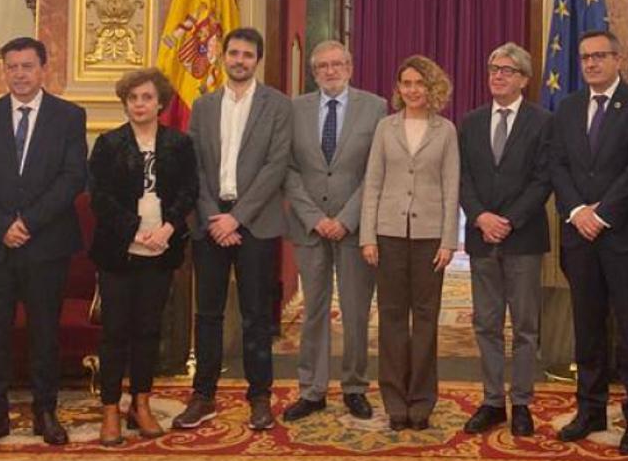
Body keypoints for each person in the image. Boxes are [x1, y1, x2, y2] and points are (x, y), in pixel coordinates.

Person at [0, 36, 87, 451]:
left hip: (45, 244)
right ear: (4, 70)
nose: (19, 74)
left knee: (44, 333)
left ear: (43, 69)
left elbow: (73, 177)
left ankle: (45, 413)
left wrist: (28, 222)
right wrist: (2, 225)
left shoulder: (69, 116)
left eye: (27, 66)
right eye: (12, 67)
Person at [176, 27, 291, 432]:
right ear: (223, 56)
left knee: (256, 315)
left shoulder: (278, 105)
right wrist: (215, 217)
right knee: (207, 313)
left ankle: (259, 398)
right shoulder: (203, 105)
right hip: (210, 222)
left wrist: (236, 218)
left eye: (247, 55)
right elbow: (193, 166)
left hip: (255, 222)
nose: (240, 60)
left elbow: (276, 166)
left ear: (257, 60)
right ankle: (203, 395)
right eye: (234, 53)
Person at [549, 29, 628, 453]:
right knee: (587, 328)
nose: (591, 63)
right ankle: (590, 409)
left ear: (618, 59)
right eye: (585, 58)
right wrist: (578, 211)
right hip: (580, 237)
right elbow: (557, 165)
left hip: (625, 237)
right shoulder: (568, 107)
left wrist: (604, 212)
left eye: (599, 56)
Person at [88, 68, 198, 446]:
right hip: (118, 252)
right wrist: (134, 233)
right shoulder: (108, 143)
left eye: (147, 97)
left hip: (162, 250)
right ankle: (110, 409)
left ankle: (141, 404)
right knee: (115, 331)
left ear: (160, 102)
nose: (139, 104)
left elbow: (189, 191)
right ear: (125, 103)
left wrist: (167, 230)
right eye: (133, 98)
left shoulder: (179, 144)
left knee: (148, 331)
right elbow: (100, 198)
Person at [283, 41, 386, 422]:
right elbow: (288, 169)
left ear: (350, 67)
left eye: (337, 64)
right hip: (309, 228)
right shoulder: (294, 109)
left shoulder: (375, 107)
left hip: (355, 228)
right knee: (314, 310)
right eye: (322, 66)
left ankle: (355, 387)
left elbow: (376, 171)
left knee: (356, 312)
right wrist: (314, 217)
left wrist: (346, 219)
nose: (330, 71)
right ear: (313, 73)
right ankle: (312, 390)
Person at [360, 55, 459, 431]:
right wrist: (368, 235)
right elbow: (372, 183)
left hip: (429, 237)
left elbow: (451, 187)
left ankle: (421, 400)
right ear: (398, 88)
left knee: (426, 318)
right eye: (406, 83)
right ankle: (394, 400)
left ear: (432, 87)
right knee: (391, 318)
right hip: (388, 234)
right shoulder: (385, 128)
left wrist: (449, 240)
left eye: (419, 83)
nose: (413, 90)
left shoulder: (445, 130)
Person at [458, 42, 552, 437]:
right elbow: (462, 177)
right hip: (482, 238)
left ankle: (523, 402)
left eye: (507, 70)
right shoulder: (471, 122)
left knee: (525, 326)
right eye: (494, 68)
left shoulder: (543, 122)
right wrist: (480, 216)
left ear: (524, 80)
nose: (497, 75)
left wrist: (509, 220)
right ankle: (493, 401)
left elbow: (543, 180)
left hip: (523, 239)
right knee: (487, 324)